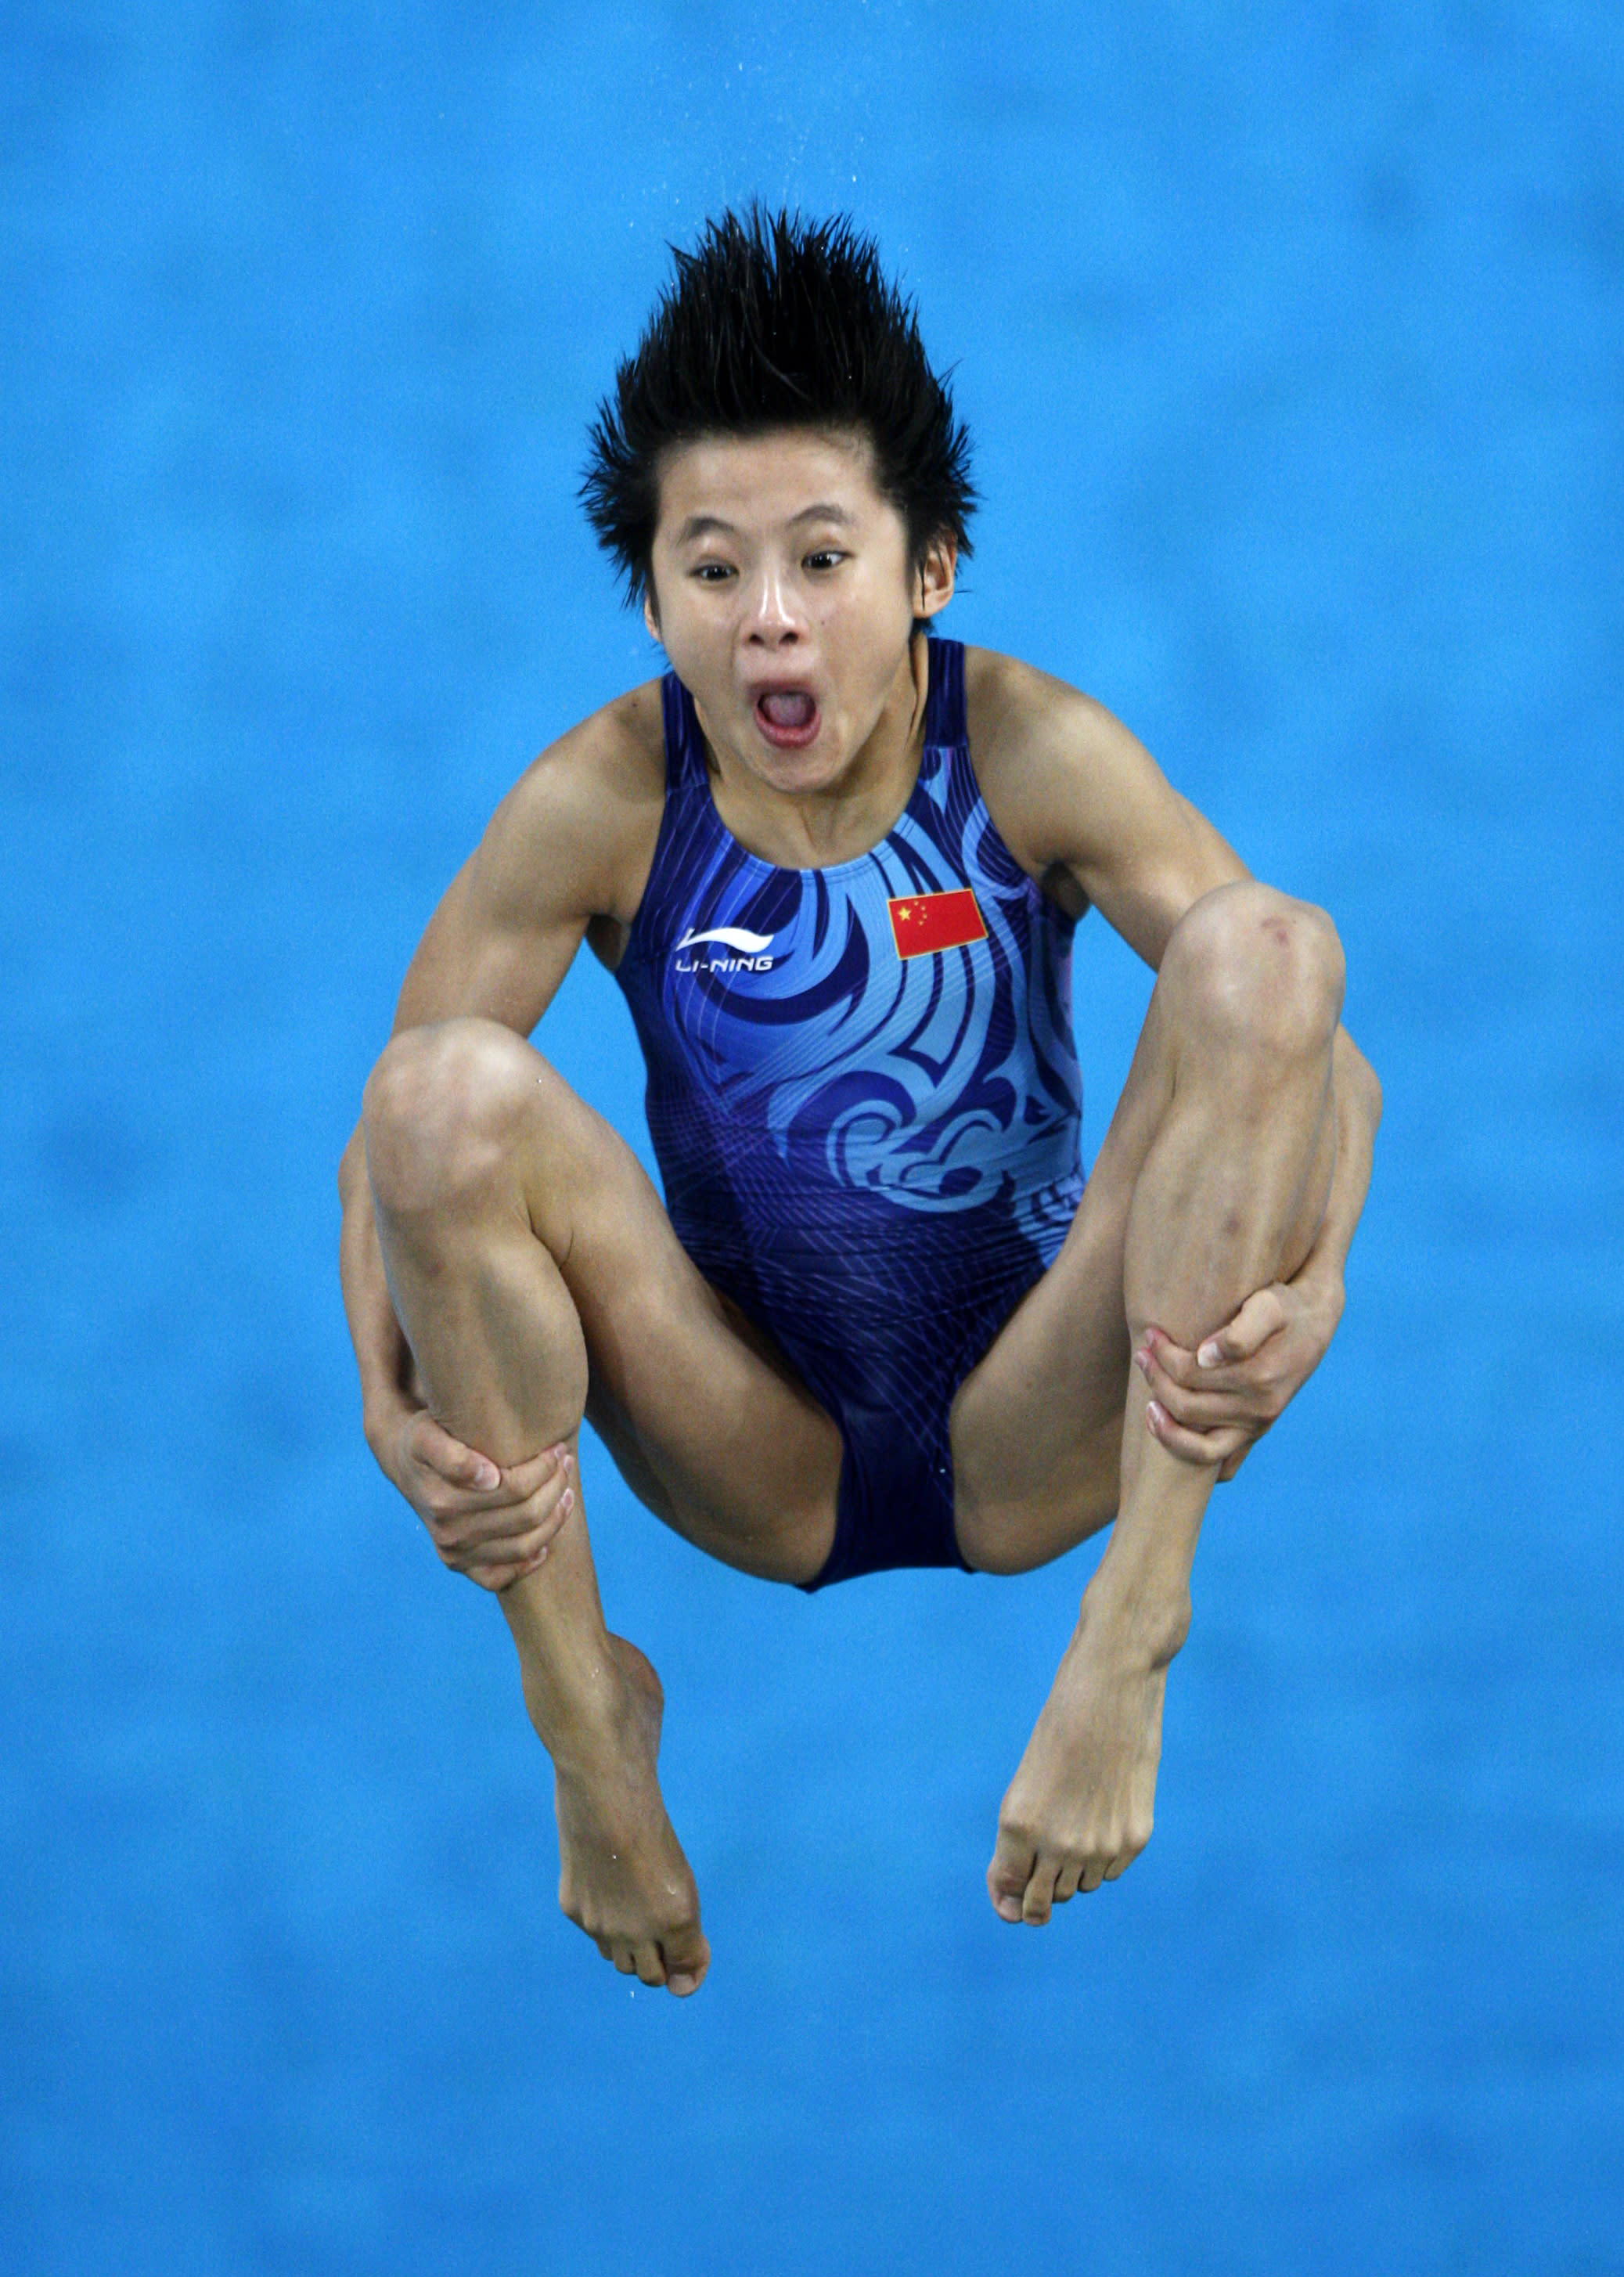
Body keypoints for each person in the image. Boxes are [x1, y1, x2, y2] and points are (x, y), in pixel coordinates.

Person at [337, 208, 1381, 2001]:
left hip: (1055, 1410)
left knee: (1268, 949)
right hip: (750, 1445)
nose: (771, 624)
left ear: (929, 570)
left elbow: (1319, 1060)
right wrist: (383, 1401)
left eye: (823, 558)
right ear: (652, 593)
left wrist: (1319, 1281)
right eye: (715, 569)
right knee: (438, 1091)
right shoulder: (600, 798)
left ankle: (1133, 1632)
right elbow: (386, 1149)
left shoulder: (1036, 750)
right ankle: (584, 1711)